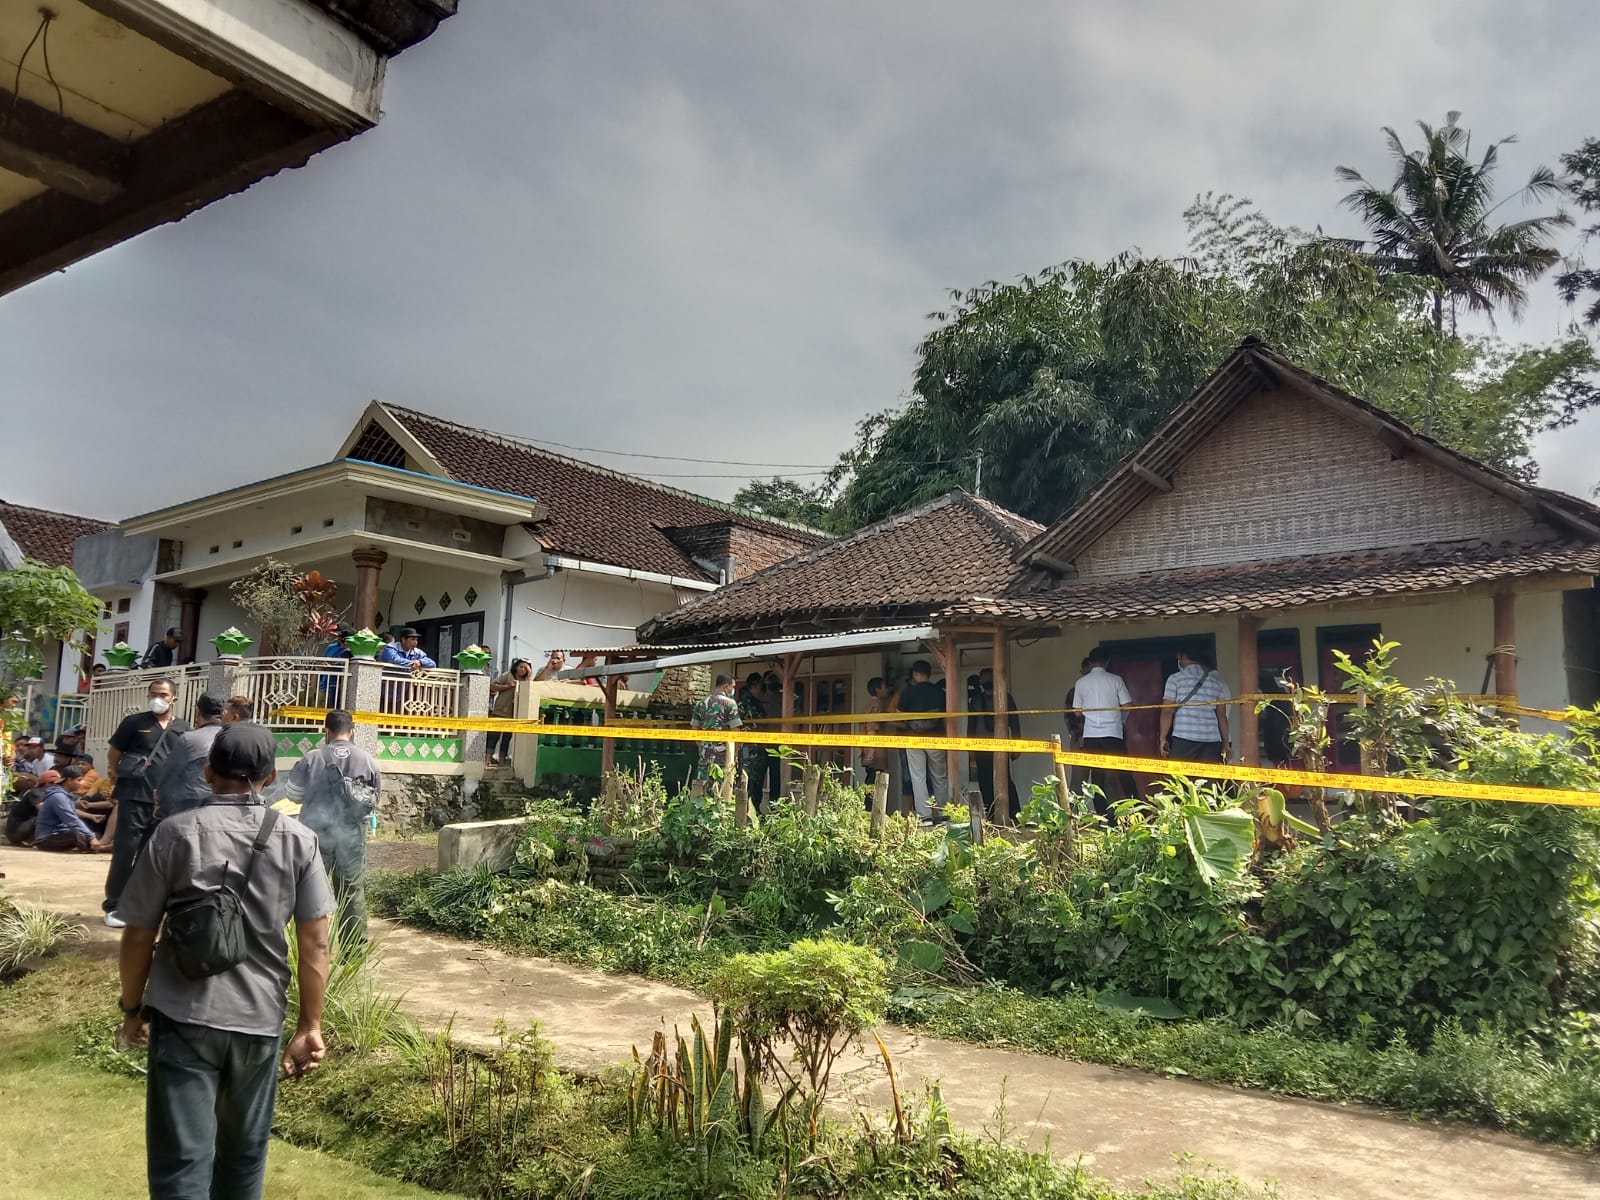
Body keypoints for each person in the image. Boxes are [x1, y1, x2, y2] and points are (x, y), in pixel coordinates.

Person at [116, 721, 334, 1200]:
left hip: (183, 1013)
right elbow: (316, 943)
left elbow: (137, 935)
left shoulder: (173, 834)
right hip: (257, 1020)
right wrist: (309, 1025)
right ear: (271, 777)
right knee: (243, 1157)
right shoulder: (298, 839)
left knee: (181, 1164)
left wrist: (133, 1009)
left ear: (209, 772)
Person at [284, 709, 381, 948]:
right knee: (351, 893)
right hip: (351, 836)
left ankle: (306, 949)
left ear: (326, 732)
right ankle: (353, 954)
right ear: (353, 732)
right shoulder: (367, 760)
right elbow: (373, 799)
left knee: (308, 891)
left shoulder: (312, 757)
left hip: (314, 836)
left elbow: (292, 795)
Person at [102, 678, 190, 929]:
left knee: (150, 855)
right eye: (153, 694)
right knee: (125, 851)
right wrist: (114, 773)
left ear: (174, 697)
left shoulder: (182, 728)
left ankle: (140, 905)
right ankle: (114, 904)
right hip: (134, 796)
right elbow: (114, 753)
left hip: (164, 801)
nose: (157, 698)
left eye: (162, 694)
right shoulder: (134, 723)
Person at [1070, 648, 1136, 815]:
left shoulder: (1081, 683)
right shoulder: (1115, 680)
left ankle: (1103, 817)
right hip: (1113, 733)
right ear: (1107, 662)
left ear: (1090, 663)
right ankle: (1138, 812)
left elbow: (1077, 712)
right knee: (1124, 773)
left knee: (1097, 778)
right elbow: (1128, 706)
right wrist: (1120, 720)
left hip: (1091, 735)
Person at [151, 693, 227, 818]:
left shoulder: (189, 738)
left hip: (190, 808)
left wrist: (161, 806)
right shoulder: (233, 738)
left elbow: (169, 775)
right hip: (225, 808)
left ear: (197, 711)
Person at [895, 659, 949, 821]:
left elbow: (898, 715)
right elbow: (946, 718)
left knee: (918, 777)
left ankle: (924, 815)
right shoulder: (940, 692)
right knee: (939, 776)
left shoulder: (908, 692)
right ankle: (943, 812)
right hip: (936, 738)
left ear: (916, 674)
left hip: (913, 739)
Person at [1160, 647, 1232, 764]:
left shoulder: (1175, 679)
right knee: (1208, 779)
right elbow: (1221, 716)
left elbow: (1167, 711)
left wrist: (1162, 738)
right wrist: (1225, 744)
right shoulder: (1215, 682)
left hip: (1184, 737)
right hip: (1211, 740)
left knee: (1177, 778)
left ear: (1181, 657)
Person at [969, 667, 1022, 821]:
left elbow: (1014, 722)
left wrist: (1017, 745)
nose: (986, 682)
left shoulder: (1005, 697)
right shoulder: (976, 700)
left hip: (1000, 748)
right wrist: (970, 748)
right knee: (985, 782)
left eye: (988, 679)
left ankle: (1015, 813)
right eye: (984, 679)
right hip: (981, 748)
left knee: (1005, 781)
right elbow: (970, 726)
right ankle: (991, 816)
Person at [689, 674, 743, 784]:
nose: (733, 690)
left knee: (702, 785)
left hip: (705, 752)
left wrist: (702, 746)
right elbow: (735, 732)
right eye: (733, 687)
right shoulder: (730, 703)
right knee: (722, 787)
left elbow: (694, 729)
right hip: (723, 753)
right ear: (726, 686)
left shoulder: (701, 703)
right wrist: (735, 753)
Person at [738, 673, 780, 807]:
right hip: (749, 750)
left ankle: (754, 808)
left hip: (760, 749)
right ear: (754, 685)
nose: (763, 688)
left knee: (758, 781)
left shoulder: (757, 702)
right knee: (748, 780)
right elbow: (736, 726)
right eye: (761, 685)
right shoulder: (744, 703)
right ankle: (746, 810)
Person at [31, 768, 97, 851]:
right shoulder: (58, 796)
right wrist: (91, 837)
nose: (80, 784)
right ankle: (98, 848)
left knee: (91, 833)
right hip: (46, 839)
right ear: (69, 780)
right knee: (77, 835)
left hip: (60, 833)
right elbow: (71, 820)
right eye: (78, 780)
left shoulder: (66, 794)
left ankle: (97, 846)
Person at [487, 658, 532, 764]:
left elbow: (531, 690)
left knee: (507, 738)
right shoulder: (507, 675)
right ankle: (488, 758)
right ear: (516, 667)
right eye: (521, 667)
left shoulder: (527, 681)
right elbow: (493, 687)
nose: (523, 670)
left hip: (514, 713)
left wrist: (529, 676)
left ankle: (502, 759)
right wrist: (508, 686)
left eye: (526, 668)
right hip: (500, 710)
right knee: (494, 735)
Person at [859, 676, 889, 787]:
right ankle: (869, 804)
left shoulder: (868, 704)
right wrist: (871, 750)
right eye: (885, 687)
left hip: (867, 747)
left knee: (872, 779)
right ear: (878, 689)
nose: (887, 690)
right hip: (874, 750)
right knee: (875, 780)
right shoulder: (876, 704)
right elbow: (871, 726)